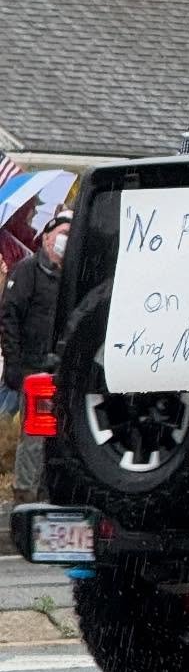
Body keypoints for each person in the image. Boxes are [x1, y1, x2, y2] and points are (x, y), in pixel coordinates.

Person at [1, 205, 69, 499]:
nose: (67, 240)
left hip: (62, 368)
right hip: (32, 367)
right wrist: (14, 363)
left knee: (61, 435)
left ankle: (50, 490)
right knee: (34, 436)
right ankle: (26, 492)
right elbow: (9, 317)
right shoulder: (27, 271)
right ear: (46, 238)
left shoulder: (72, 275)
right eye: (62, 234)